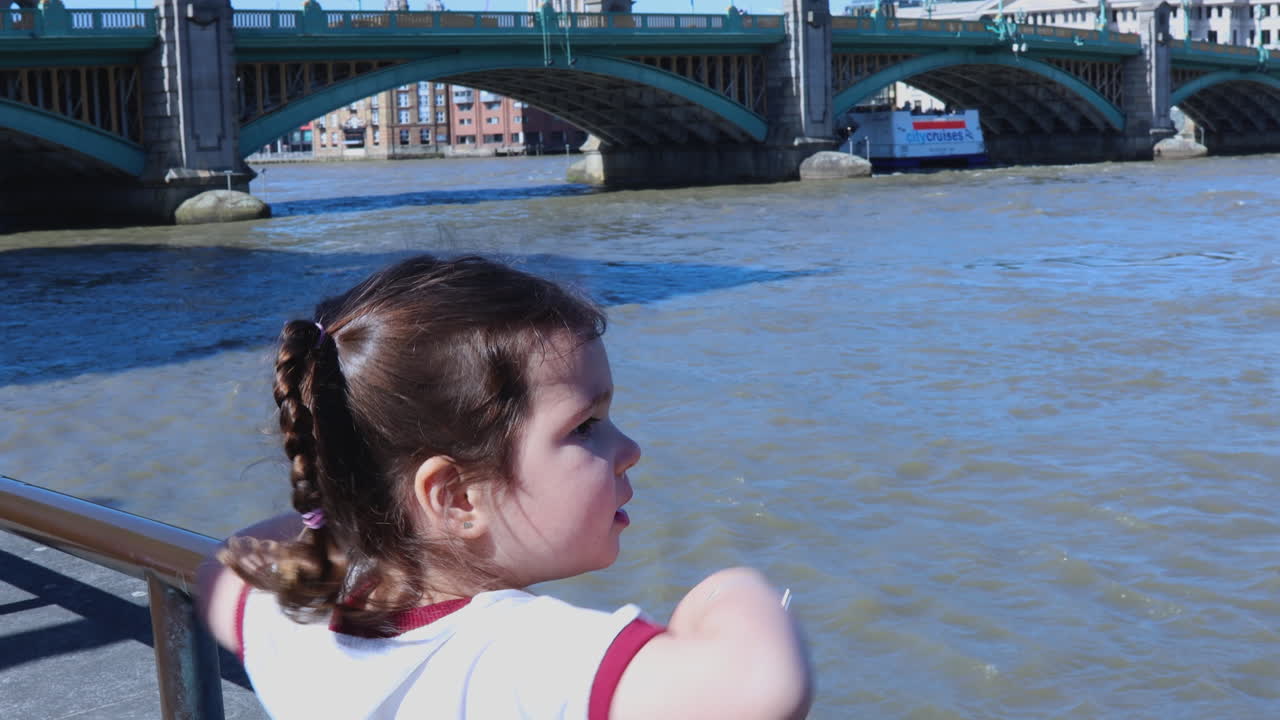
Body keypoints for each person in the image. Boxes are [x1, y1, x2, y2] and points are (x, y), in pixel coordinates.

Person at [197, 255, 812, 720]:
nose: (629, 450)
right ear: (458, 497)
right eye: (586, 427)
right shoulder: (518, 655)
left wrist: (357, 503)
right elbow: (757, 688)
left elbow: (224, 566)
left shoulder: (290, 615)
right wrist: (728, 592)